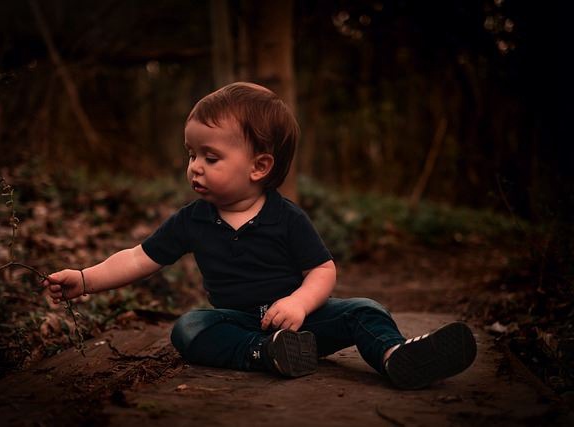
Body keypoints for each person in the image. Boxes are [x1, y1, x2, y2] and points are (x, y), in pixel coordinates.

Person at [44, 82, 476, 389]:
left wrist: (299, 303)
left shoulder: (286, 218)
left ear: (259, 167)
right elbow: (140, 257)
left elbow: (322, 270)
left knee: (365, 309)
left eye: (210, 157)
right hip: (242, 325)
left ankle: (395, 357)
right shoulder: (192, 220)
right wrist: (84, 279)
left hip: (302, 321)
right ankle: (266, 354)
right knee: (190, 327)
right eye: (191, 154)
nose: (194, 166)